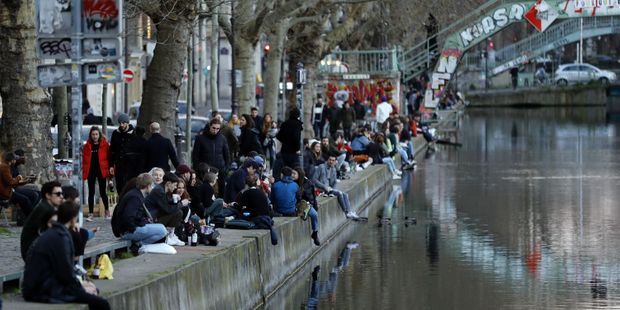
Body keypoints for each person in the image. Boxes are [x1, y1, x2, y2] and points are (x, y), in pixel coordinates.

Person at [22, 201, 111, 310]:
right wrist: (81, 287)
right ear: (73, 219)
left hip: (38, 286)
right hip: (43, 290)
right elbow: (65, 272)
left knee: (92, 292)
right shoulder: (61, 237)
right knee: (101, 302)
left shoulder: (53, 232)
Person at [116, 173, 168, 245]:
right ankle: (140, 245)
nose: (152, 188)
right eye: (152, 185)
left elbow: (137, 215)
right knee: (162, 230)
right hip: (128, 231)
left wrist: (144, 221)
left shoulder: (137, 194)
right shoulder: (135, 197)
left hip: (130, 229)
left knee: (161, 227)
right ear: (148, 186)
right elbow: (128, 217)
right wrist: (134, 228)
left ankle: (140, 244)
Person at [20, 181, 64, 261]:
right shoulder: (48, 210)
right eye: (58, 194)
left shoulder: (44, 206)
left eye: (62, 194)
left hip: (32, 251)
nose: (61, 197)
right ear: (48, 195)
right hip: (33, 254)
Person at [144, 172, 185, 246]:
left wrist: (174, 200)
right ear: (168, 183)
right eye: (175, 185)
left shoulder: (163, 190)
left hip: (155, 217)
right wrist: (181, 203)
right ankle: (167, 236)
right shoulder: (159, 191)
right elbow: (168, 209)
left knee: (178, 212)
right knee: (178, 212)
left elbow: (166, 204)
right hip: (150, 220)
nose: (175, 187)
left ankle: (170, 236)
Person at [192, 118, 230, 196]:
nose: (215, 130)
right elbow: (195, 155)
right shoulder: (200, 138)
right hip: (206, 170)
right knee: (206, 193)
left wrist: (226, 168)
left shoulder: (222, 138)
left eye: (218, 128)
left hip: (220, 170)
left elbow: (227, 154)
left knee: (220, 192)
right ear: (210, 126)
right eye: (213, 128)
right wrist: (197, 169)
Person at [312, 155, 359, 219]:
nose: (331, 162)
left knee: (345, 194)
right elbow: (314, 180)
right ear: (327, 160)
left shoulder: (333, 169)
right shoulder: (321, 167)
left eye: (333, 160)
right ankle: (346, 213)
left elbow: (334, 182)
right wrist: (324, 187)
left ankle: (349, 211)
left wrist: (332, 189)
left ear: (335, 162)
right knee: (340, 193)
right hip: (321, 189)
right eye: (330, 160)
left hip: (329, 189)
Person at [82, 126, 111, 221]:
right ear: (90, 135)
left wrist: (110, 170)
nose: (95, 136)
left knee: (103, 192)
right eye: (93, 134)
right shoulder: (87, 146)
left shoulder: (105, 145)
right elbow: (84, 160)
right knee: (91, 192)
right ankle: (90, 214)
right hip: (91, 171)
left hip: (101, 171)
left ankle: (107, 211)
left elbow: (109, 158)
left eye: (96, 134)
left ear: (99, 135)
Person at [293, 168, 320, 246]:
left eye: (294, 174)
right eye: (292, 173)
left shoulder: (308, 183)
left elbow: (313, 197)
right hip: (295, 204)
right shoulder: (292, 183)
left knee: (314, 214)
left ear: (300, 175)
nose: (292, 175)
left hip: (306, 204)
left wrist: (314, 206)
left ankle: (315, 233)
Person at [0, 153, 34, 217]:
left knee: (27, 198)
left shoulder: (4, 166)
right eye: (15, 160)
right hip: (4, 194)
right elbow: (10, 182)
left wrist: (25, 181)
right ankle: (32, 219)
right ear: (12, 160)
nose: (15, 161)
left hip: (7, 191)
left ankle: (29, 218)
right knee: (25, 200)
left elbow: (9, 181)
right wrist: (19, 177)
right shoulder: (5, 167)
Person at [109, 113, 135, 194]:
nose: (121, 125)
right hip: (119, 164)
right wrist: (111, 165)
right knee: (120, 185)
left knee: (129, 185)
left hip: (130, 165)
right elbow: (112, 150)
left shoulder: (134, 134)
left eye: (123, 123)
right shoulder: (116, 133)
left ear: (127, 123)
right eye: (120, 123)